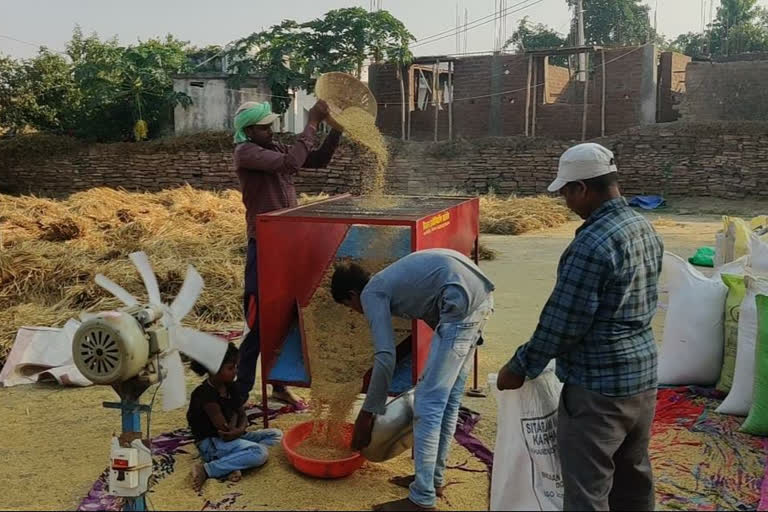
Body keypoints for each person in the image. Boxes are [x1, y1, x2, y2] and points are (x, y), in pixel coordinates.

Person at [496, 143, 664, 511]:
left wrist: (520, 366)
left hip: (598, 389)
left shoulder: (592, 243)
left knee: (587, 491)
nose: (566, 203)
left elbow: (564, 323)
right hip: (643, 379)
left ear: (582, 189)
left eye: (566, 193)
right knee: (633, 480)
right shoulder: (643, 226)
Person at [331, 249, 494, 511]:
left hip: (461, 302)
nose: (357, 313)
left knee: (427, 405)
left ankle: (422, 499)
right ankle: (432, 481)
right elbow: (433, 314)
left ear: (352, 295)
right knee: (448, 400)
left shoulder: (371, 292)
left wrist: (367, 413)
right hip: (479, 299)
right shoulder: (390, 283)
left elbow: (385, 356)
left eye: (351, 308)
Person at [233, 100, 342, 408]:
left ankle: (280, 385)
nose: (271, 130)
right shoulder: (247, 153)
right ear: (249, 131)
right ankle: (240, 393)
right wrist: (311, 122)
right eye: (265, 127)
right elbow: (292, 164)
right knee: (260, 319)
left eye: (270, 126)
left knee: (289, 312)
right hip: (265, 245)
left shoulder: (273, 149)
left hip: (288, 242)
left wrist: (334, 131)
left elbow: (316, 160)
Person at [188, 342, 283, 492]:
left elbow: (242, 413)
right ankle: (208, 469)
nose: (235, 372)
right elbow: (225, 431)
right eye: (230, 368)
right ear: (214, 369)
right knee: (260, 453)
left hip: (235, 435)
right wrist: (239, 426)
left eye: (236, 367)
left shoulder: (231, 386)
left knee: (276, 435)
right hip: (213, 443)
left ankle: (234, 462)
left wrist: (240, 427)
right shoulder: (205, 394)